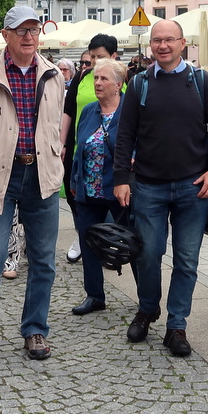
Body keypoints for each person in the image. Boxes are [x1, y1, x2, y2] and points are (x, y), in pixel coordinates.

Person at [113, 19, 208, 357]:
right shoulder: (139, 84)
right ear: (151, 45)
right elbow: (125, 135)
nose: (162, 46)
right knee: (148, 254)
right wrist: (121, 177)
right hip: (148, 186)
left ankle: (176, 325)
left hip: (193, 187)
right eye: (157, 41)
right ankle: (148, 308)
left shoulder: (200, 81)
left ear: (182, 43)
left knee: (187, 260)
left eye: (169, 40)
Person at [0, 6, 64, 363]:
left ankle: (35, 329)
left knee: (43, 259)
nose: (28, 37)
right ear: (5, 35)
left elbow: (53, 126)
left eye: (33, 30)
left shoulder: (53, 75)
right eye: (20, 30)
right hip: (0, 176)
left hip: (41, 175)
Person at [68, 58, 128, 315]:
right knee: (89, 241)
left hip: (120, 191)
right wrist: (73, 180)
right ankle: (95, 295)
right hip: (88, 190)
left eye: (104, 78)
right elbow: (78, 149)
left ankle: (147, 301)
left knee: (133, 243)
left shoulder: (130, 111)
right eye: (95, 78)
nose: (98, 83)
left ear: (119, 84)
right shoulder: (89, 110)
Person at [60, 34, 119, 264]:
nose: (94, 62)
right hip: (80, 148)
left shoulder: (125, 79)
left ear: (113, 57)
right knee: (76, 198)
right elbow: (68, 111)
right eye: (91, 56)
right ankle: (82, 235)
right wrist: (63, 143)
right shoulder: (82, 77)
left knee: (110, 202)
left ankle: (106, 242)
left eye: (100, 57)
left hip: (112, 154)